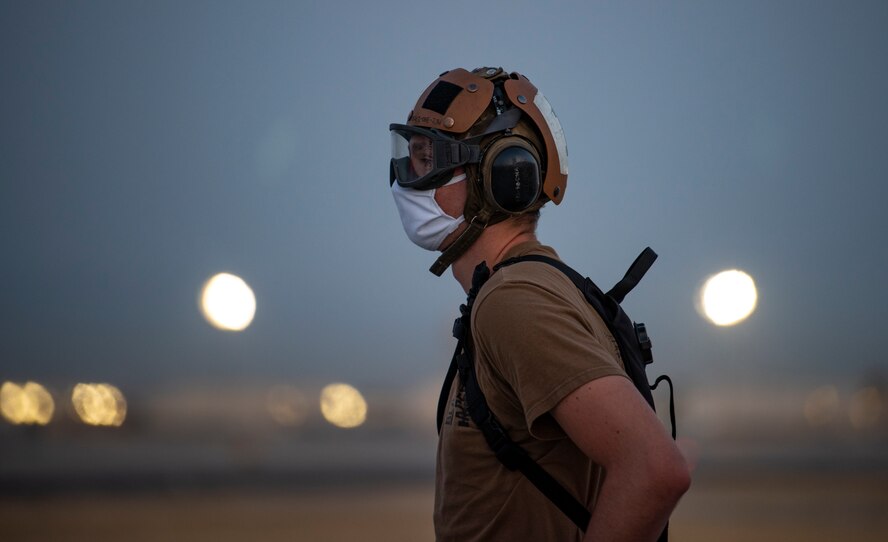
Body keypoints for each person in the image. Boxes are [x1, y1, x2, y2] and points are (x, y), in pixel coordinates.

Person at [389, 67, 690, 542]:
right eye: (410, 156)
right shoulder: (509, 292)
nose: (408, 177)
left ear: (502, 175)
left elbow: (655, 469)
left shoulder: (515, 301)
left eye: (429, 159)